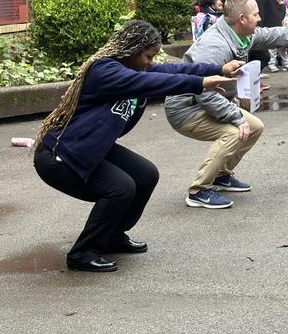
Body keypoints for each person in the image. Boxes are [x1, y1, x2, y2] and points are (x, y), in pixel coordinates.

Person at [33, 20, 238, 272]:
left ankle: (112, 235)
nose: (150, 62)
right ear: (132, 49)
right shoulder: (104, 70)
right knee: (120, 188)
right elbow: (153, 83)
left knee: (145, 175)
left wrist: (219, 68)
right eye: (147, 56)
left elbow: (167, 72)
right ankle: (83, 252)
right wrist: (199, 84)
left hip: (88, 146)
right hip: (60, 154)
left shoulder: (135, 69)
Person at [164, 0, 288, 208]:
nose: (260, 18)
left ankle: (221, 175)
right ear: (242, 19)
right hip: (185, 108)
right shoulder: (215, 47)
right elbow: (203, 93)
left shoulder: (241, 34)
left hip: (205, 101)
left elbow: (275, 34)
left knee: (254, 127)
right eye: (256, 14)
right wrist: (235, 116)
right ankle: (199, 190)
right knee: (234, 132)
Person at [267, 0, 288, 72]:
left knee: (283, 48)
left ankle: (286, 64)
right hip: (272, 29)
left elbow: (287, 18)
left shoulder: (283, 6)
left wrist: (287, 27)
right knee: (272, 49)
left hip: (282, 29)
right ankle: (271, 64)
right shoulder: (269, 7)